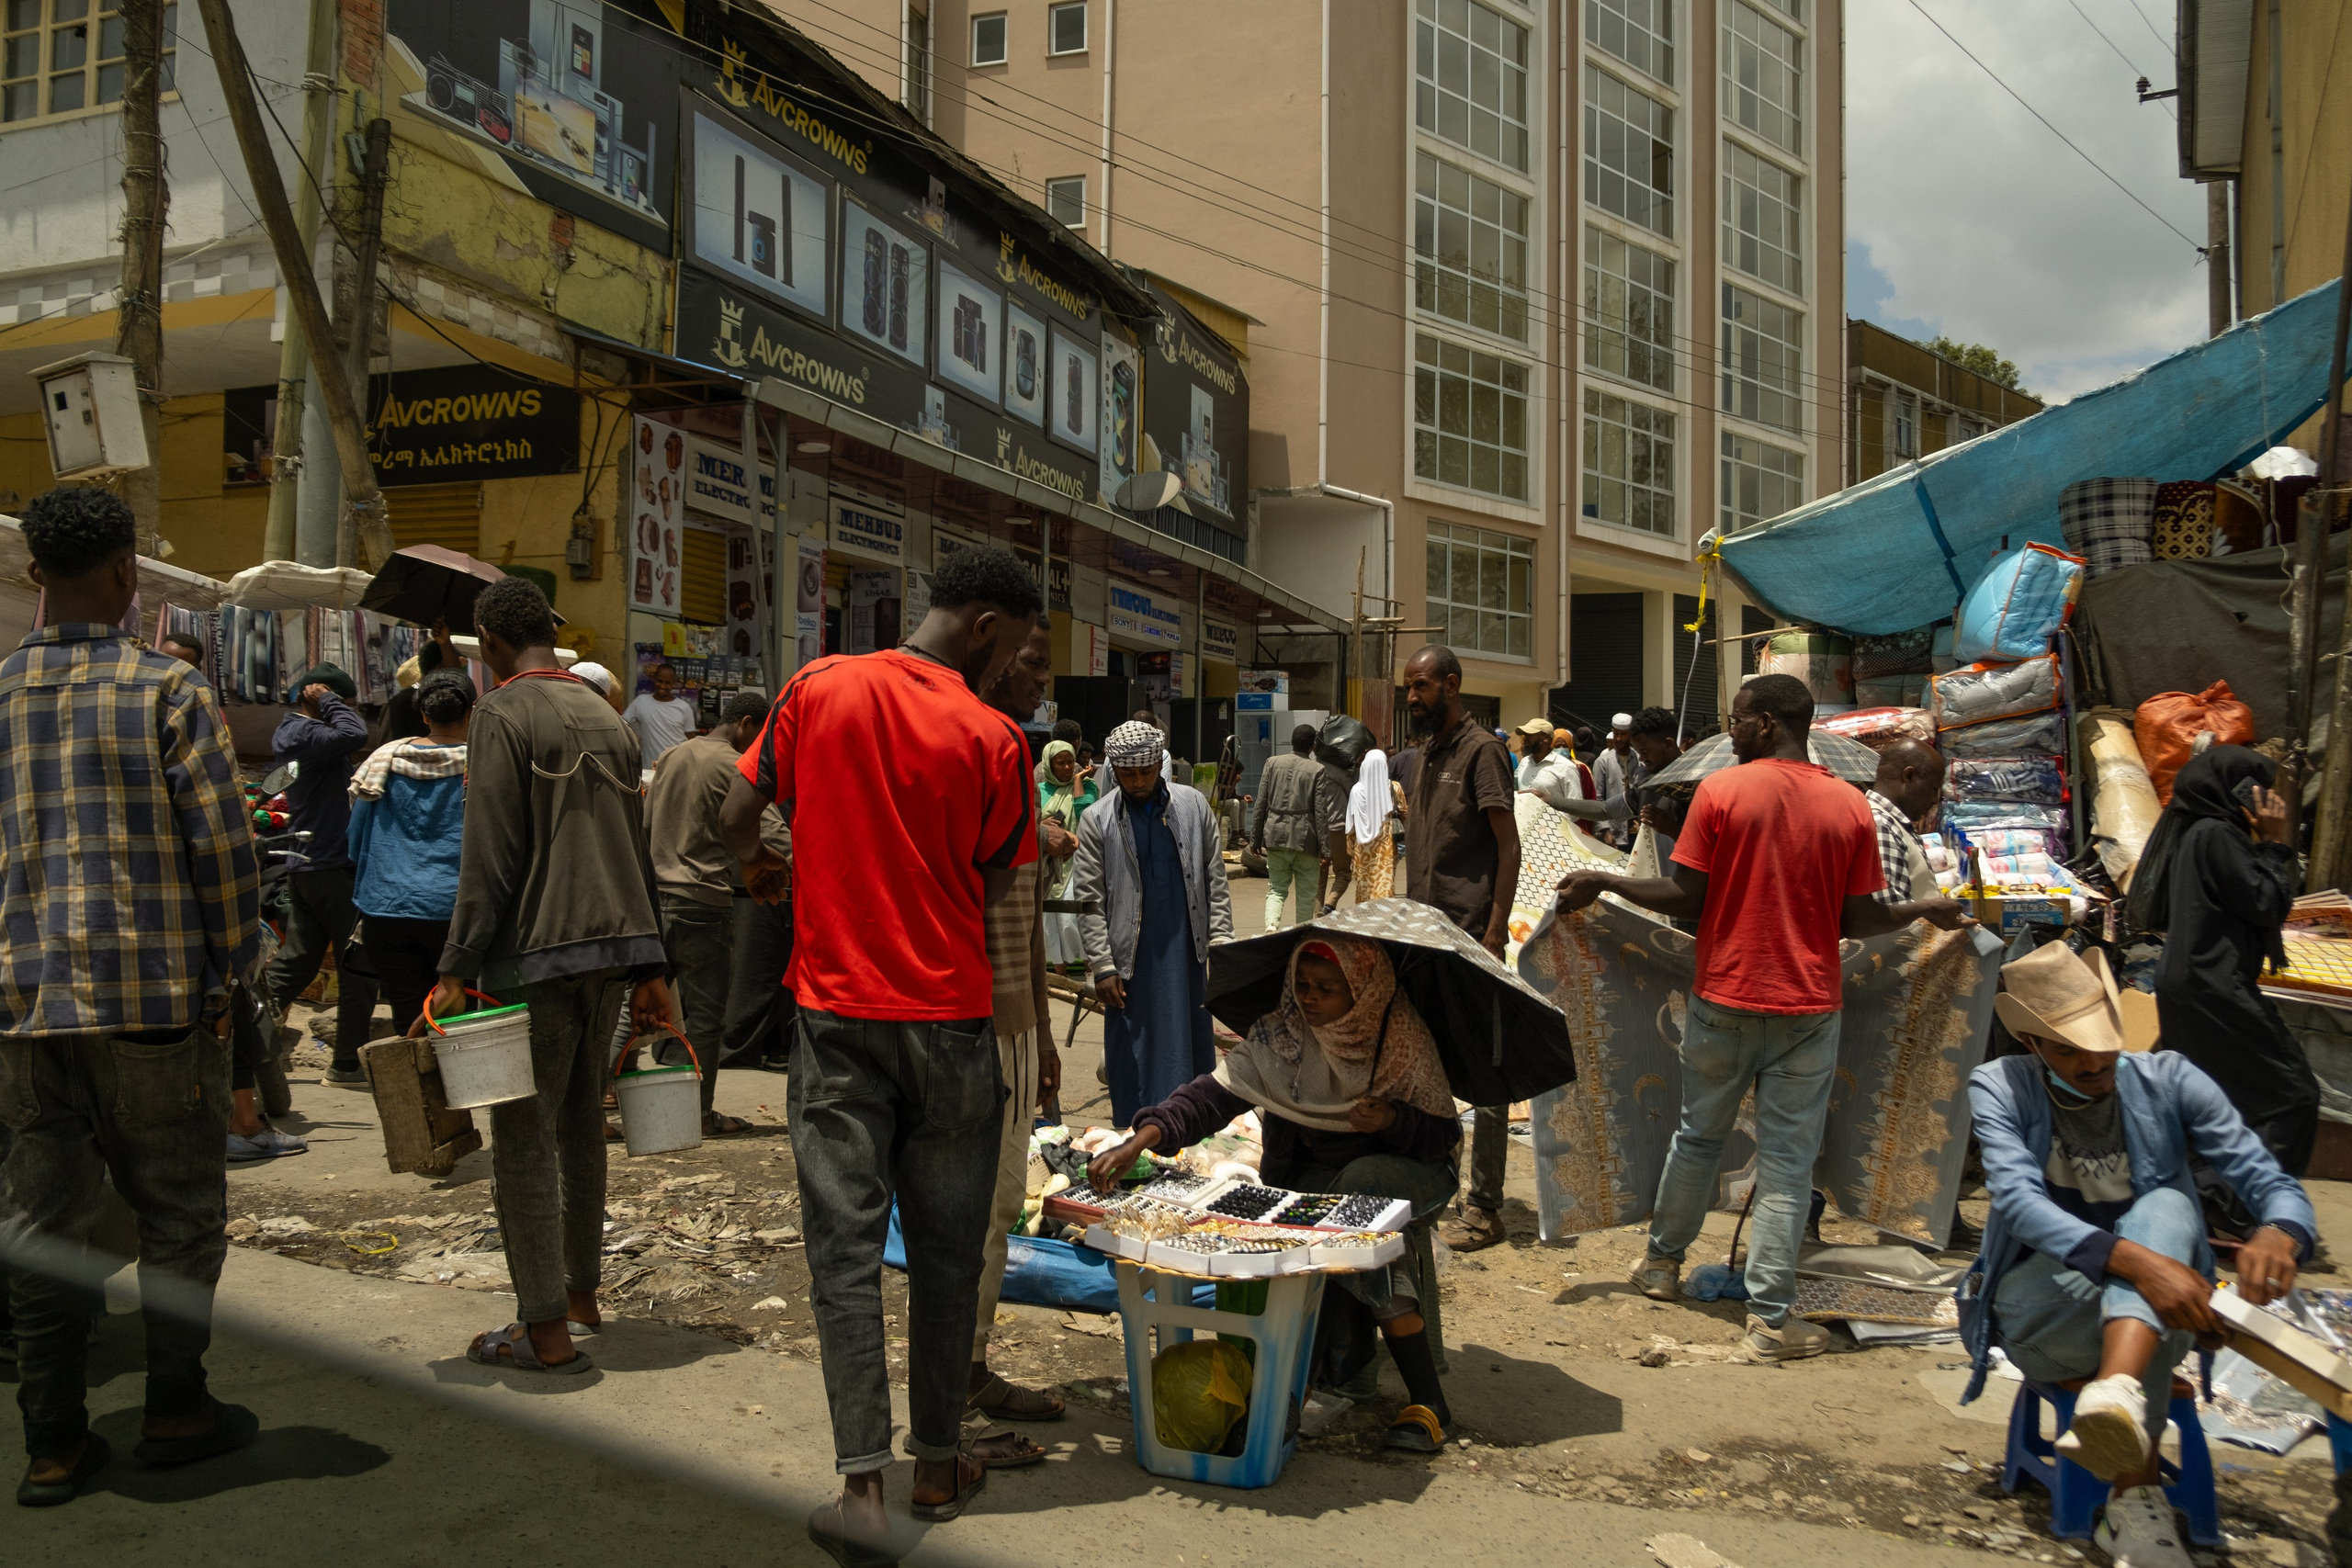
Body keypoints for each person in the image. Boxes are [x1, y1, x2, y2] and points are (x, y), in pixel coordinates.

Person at [719, 544, 1041, 1558]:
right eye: (1020, 647)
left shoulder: (816, 687)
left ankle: (863, 1486)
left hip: (837, 1019)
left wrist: (770, 873)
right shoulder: (995, 739)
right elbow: (999, 895)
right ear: (986, 627)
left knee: (843, 1254)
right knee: (947, 1259)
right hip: (949, 1025)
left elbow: (732, 815)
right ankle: (939, 1463)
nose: (1014, 669)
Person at [1556, 674, 1971, 1359]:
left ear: (1771, 722)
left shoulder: (1721, 793)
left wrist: (1608, 882)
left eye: (1739, 719)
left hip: (1723, 995)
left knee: (1698, 1135)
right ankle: (1772, 1320)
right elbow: (1860, 917)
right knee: (1786, 1164)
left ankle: (1662, 1265)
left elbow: (1684, 895)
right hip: (1808, 1004)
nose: (1731, 730)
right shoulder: (1850, 805)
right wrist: (1920, 911)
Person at [0, 486, 264, 1505]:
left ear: (34, 579)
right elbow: (225, 858)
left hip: (24, 1013)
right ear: (124, 577)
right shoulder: (167, 690)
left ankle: (54, 1441)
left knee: (35, 1217)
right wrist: (233, 981)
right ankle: (176, 1407)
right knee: (181, 1212)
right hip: (152, 1004)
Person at [1960, 940, 2316, 1568]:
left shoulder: (2170, 1079)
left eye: (2100, 1041)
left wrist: (2280, 1231)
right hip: (2044, 1311)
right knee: (2159, 1265)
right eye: (2067, 1048)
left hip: (2163, 1312)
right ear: (2033, 1046)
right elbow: (2016, 1202)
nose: (2091, 1061)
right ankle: (2134, 1494)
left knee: (2169, 1211)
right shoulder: (2001, 1085)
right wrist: (2141, 1263)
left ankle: (2117, 1399)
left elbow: (2269, 1180)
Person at [426, 575, 673, 1379]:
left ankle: (544, 1332)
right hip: (610, 955)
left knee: (524, 1143)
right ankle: (579, 1294)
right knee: (578, 1129)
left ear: (489, 643)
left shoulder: (503, 711)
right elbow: (635, 849)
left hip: (535, 956)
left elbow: (490, 853)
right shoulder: (604, 713)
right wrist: (650, 961)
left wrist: (457, 964)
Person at [1085, 934, 1462, 1451]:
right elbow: (1207, 1100)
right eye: (1302, 984)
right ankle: (1424, 1402)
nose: (1310, 997)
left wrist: (1394, 1120)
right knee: (1341, 1223)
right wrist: (1138, 1142)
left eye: (1327, 989)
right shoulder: (1280, 1036)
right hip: (1318, 1178)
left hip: (1409, 1169)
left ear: (1363, 992)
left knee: (1352, 1203)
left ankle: (1289, 1396)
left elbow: (1442, 1137)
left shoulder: (1397, 1039)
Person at [2124, 747, 2320, 1206]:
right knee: (2292, 1093)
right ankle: (2246, 1204)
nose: (2271, 801)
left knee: (2217, 1097)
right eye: (2264, 791)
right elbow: (2266, 902)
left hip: (2194, 984)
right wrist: (2275, 844)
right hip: (2214, 986)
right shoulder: (2217, 834)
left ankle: (2206, 1194)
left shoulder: (2203, 831)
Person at [967, 615, 1067, 1460]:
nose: (1042, 679)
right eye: (1032, 663)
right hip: (961, 1023)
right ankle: (953, 1395)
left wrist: (1040, 1029)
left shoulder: (1017, 759)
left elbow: (1026, 916)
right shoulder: (981, 746)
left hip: (1011, 1019)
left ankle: (968, 1367)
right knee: (968, 1211)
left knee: (998, 1206)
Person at [1398, 646, 1520, 1253]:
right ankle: (1433, 1182)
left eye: (1421, 687)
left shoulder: (1484, 752)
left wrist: (1494, 931)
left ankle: (1486, 1204)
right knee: (1424, 1062)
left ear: (1452, 683)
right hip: (1421, 935)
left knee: (1484, 1073)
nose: (1413, 698)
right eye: (1409, 688)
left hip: (1469, 935)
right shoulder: (1427, 755)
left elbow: (1508, 845)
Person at [1072, 719, 1235, 1128]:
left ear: (1158, 766)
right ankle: (1135, 1131)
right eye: (1128, 774)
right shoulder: (1097, 819)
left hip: (1186, 950)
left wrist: (1223, 942)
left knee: (1190, 1042)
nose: (1139, 781)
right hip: (1129, 960)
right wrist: (1103, 966)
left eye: (1146, 771)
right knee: (1134, 1052)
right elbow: (1089, 901)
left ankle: (1190, 1128)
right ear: (1115, 771)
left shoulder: (1194, 806)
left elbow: (1215, 878)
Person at [643, 691, 780, 1135]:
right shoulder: (735, 766)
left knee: (635, 1006)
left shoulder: (672, 755)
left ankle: (599, 1100)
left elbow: (646, 824)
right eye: (760, 736)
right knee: (706, 1016)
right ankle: (699, 1114)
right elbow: (778, 836)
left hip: (655, 898)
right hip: (702, 903)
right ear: (746, 724)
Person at [262, 660, 374, 1089]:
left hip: (310, 864)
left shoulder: (297, 736)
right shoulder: (307, 731)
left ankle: (247, 1043)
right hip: (329, 868)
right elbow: (355, 734)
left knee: (297, 963)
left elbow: (282, 780)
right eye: (344, 703)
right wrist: (328, 699)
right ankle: (346, 1064)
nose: (346, 710)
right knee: (358, 968)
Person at [348, 669, 473, 1041]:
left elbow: (355, 841)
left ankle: (418, 1097)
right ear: (470, 713)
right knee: (456, 1025)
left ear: (424, 714)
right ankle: (457, 1099)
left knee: (409, 1022)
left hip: (386, 910)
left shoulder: (382, 762)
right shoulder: (482, 765)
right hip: (454, 916)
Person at [1252, 723, 1347, 930]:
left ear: (1292, 742)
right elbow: (1320, 812)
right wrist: (1325, 848)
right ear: (1312, 746)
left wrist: (1255, 839)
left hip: (1275, 835)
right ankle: (1300, 934)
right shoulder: (1317, 769)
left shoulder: (1272, 762)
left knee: (1276, 889)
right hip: (1306, 840)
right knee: (1306, 894)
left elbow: (1261, 803)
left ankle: (1271, 925)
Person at [1865, 739, 1949, 907]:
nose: (1934, 800)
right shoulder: (1881, 824)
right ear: (1909, 776)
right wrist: (1933, 910)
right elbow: (1887, 909)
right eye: (1933, 789)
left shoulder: (1893, 822)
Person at [1036, 739, 1091, 972]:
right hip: (1048, 861)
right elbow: (1029, 819)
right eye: (1061, 763)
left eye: (1071, 762)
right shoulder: (1038, 790)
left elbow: (1085, 813)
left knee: (1075, 915)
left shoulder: (1087, 785)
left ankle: (1090, 966)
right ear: (1049, 765)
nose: (1067, 768)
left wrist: (1078, 780)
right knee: (1050, 917)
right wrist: (1042, 824)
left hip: (1077, 860)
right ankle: (1061, 972)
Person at [379, 621, 460, 743]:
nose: (459, 676)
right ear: (440, 667)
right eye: (455, 669)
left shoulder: (454, 703)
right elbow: (387, 749)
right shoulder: (401, 703)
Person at [621, 661, 698, 773]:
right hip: (649, 770)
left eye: (668, 683)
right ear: (654, 679)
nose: (662, 686)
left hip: (676, 770)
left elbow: (692, 741)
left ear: (674, 684)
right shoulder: (641, 702)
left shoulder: (684, 708)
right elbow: (622, 724)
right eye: (660, 681)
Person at [1346, 747, 1398, 898]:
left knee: (1365, 890)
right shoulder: (1394, 788)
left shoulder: (1356, 790)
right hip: (1386, 851)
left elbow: (1351, 827)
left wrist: (1350, 850)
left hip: (1362, 852)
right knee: (1385, 888)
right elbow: (1403, 813)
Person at [1092, 708, 1176, 800]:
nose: (1139, 783)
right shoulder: (1114, 754)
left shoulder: (1114, 754)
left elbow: (1105, 793)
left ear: (1160, 764)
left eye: (1147, 772)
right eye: (1128, 774)